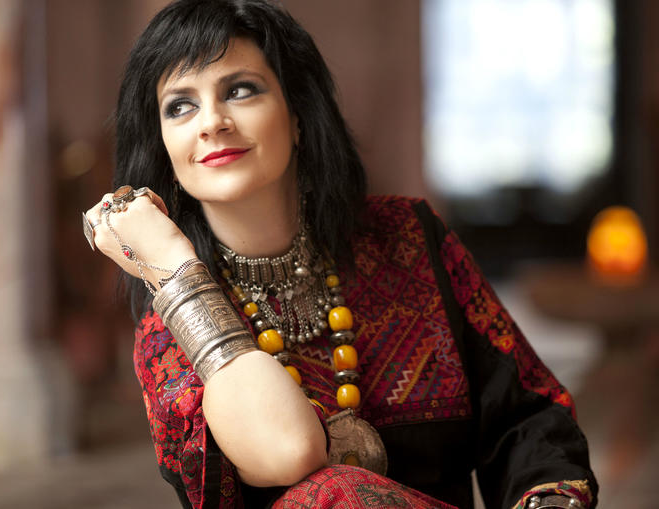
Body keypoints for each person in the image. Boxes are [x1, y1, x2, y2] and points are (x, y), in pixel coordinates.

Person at [83, 0, 597, 507]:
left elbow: (527, 420)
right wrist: (175, 266)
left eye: (240, 90)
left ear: (298, 115)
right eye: (181, 105)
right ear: (165, 152)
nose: (211, 121)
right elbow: (290, 451)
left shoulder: (408, 238)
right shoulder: (170, 331)